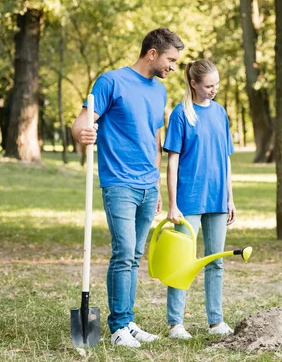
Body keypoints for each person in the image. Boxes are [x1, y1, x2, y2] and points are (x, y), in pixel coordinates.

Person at [71, 28, 185, 348]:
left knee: (135, 256)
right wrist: (83, 134)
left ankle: (128, 322)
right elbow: (82, 122)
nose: (173, 67)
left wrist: (159, 185)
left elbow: (155, 141)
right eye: (170, 60)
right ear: (152, 54)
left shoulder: (159, 92)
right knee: (123, 254)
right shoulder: (111, 82)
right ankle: (118, 326)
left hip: (149, 185)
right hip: (119, 183)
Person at [163, 59, 236, 339]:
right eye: (208, 85)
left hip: (217, 198)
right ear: (193, 84)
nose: (213, 90)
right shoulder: (181, 114)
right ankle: (175, 323)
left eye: (216, 84)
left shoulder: (220, 113)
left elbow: (225, 160)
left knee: (215, 260)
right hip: (188, 199)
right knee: (182, 260)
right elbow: (172, 162)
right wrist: (172, 203)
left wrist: (230, 198)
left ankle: (216, 321)